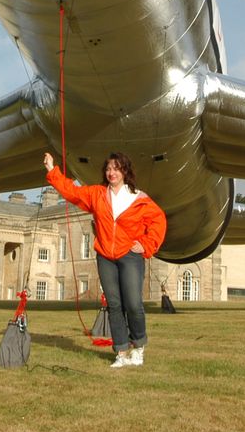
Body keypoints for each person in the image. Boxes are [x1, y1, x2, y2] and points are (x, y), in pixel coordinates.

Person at [43, 151, 167, 368]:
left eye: (116, 169)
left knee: (133, 303)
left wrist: (146, 245)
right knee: (114, 304)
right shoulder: (97, 194)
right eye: (108, 169)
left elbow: (159, 221)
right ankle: (121, 352)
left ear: (124, 171)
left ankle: (138, 347)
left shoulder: (139, 198)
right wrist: (52, 170)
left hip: (130, 255)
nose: (112, 173)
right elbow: (72, 192)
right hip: (105, 257)